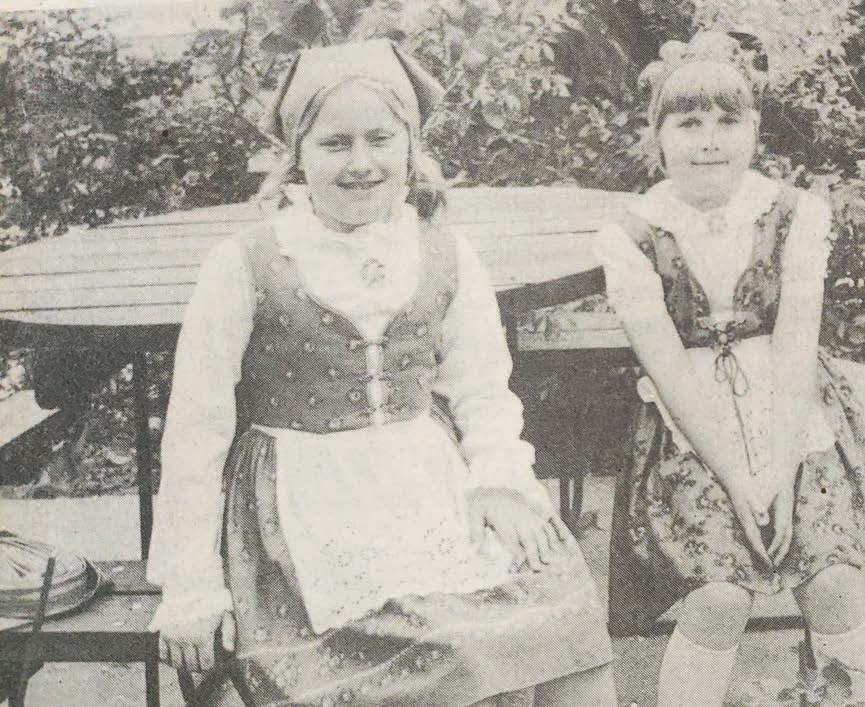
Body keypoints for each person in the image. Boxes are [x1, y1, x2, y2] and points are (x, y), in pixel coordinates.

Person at [147, 39, 615, 707]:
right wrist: (192, 582)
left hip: (426, 482)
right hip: (301, 508)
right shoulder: (245, 262)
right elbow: (196, 430)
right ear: (297, 157)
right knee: (451, 654)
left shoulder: (444, 253)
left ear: (410, 146)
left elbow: (483, 388)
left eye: (380, 139)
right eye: (335, 143)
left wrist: (499, 482)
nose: (361, 162)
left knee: (564, 616)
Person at [596, 32, 865, 707]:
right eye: (688, 123)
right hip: (692, 435)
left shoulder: (793, 215)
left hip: (795, 424)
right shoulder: (632, 233)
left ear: (754, 129)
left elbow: (797, 347)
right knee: (719, 596)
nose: (709, 141)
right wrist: (740, 481)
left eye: (728, 120)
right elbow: (666, 367)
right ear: (658, 136)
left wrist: (776, 468)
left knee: (833, 582)